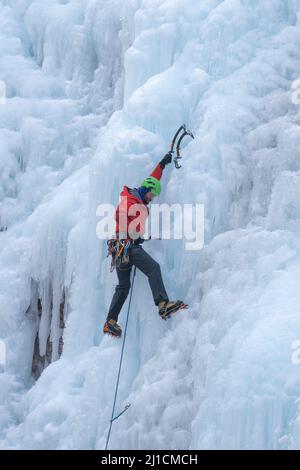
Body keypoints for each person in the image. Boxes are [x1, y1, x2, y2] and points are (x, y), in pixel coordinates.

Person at [103, 152, 186, 337]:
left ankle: (110, 322)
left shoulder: (138, 196)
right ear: (146, 190)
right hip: (126, 246)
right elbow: (119, 215)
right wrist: (130, 236)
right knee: (153, 269)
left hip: (120, 249)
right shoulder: (131, 200)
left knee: (123, 287)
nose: (152, 198)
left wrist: (162, 165)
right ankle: (163, 305)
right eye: (152, 194)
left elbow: (152, 179)